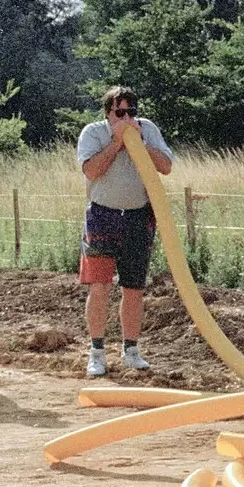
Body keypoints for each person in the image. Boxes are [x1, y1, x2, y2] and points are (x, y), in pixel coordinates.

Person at [76, 85, 173, 377]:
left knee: (133, 289)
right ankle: (96, 352)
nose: (127, 118)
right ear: (108, 113)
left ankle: (131, 350)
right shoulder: (93, 133)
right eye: (120, 113)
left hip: (138, 218)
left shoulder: (147, 130)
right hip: (103, 215)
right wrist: (118, 142)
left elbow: (166, 166)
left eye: (132, 112)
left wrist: (141, 141)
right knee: (99, 286)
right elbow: (91, 170)